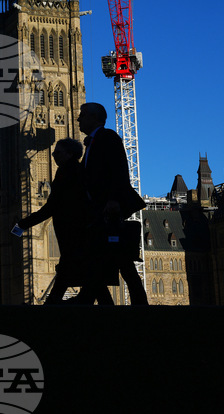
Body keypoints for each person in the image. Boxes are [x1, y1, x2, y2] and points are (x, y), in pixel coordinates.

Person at [14, 139, 109, 304]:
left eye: (57, 152)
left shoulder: (67, 173)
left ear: (70, 154)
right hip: (79, 233)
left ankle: (53, 306)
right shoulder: (74, 171)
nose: (53, 156)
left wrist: (24, 224)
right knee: (90, 277)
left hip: (75, 233)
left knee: (70, 273)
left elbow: (51, 207)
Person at [75, 102, 149, 305]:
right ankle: (93, 300)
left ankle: (136, 304)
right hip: (99, 210)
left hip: (109, 209)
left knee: (116, 259)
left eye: (82, 115)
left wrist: (114, 199)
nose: (78, 119)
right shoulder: (91, 143)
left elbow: (119, 169)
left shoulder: (107, 137)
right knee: (105, 258)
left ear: (94, 118)